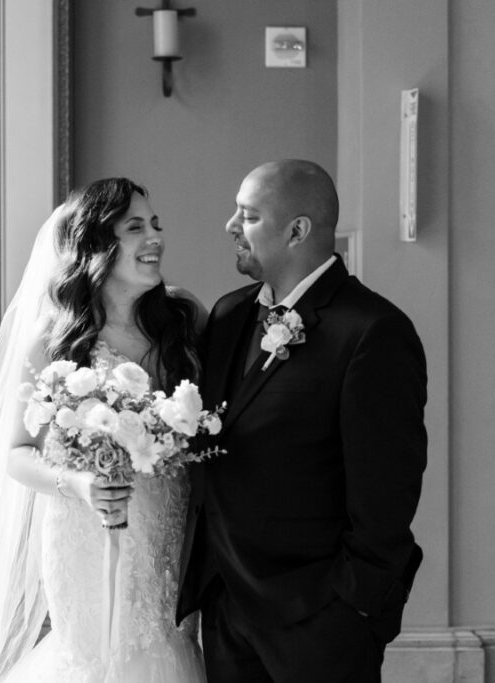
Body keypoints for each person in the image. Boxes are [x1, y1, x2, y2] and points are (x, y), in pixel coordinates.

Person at [0, 178, 209, 682]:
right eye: (136, 227)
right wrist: (79, 484)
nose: (156, 238)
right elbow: (15, 452)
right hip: (82, 527)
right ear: (98, 244)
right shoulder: (56, 339)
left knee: (162, 646)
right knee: (93, 659)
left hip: (166, 527)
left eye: (156, 225)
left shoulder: (184, 319)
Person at [177, 159, 427, 682]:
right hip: (227, 609)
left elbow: (386, 494)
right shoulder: (228, 314)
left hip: (320, 620)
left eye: (246, 216)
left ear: (297, 230)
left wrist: (354, 609)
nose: (229, 227)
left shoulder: (372, 332)